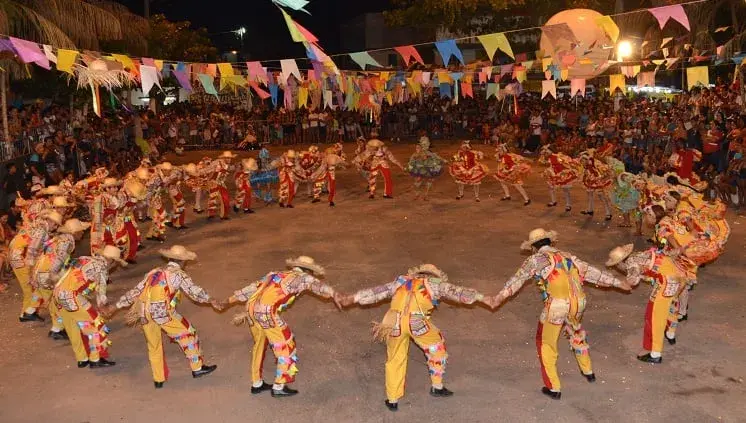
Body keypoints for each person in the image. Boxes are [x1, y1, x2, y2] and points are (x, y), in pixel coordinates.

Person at [487, 228, 631, 399]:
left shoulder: (536, 259)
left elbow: (517, 279)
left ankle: (553, 387)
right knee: (575, 332)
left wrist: (499, 297)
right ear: (549, 242)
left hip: (557, 306)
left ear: (533, 247)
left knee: (546, 343)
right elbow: (592, 272)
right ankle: (588, 371)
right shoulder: (568, 255)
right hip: (579, 302)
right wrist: (617, 283)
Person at [337, 264, 488, 411]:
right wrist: (483, 298)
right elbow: (458, 292)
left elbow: (376, 292)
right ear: (432, 275)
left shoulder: (401, 281)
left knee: (395, 358)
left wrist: (353, 298)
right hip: (417, 324)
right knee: (436, 346)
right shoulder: (435, 284)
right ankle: (437, 386)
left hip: (393, 323)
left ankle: (392, 399)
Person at [104, 245, 222, 389]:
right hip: (162, 313)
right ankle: (198, 368)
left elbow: (135, 292)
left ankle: (158, 379)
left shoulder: (154, 272)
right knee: (188, 334)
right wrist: (211, 300)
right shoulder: (178, 274)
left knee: (154, 346)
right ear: (183, 261)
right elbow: (194, 292)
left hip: (144, 313)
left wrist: (115, 306)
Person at [223, 256, 340, 397]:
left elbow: (251, 288)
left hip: (251, 309)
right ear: (309, 271)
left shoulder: (275, 274)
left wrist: (228, 301)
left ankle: (257, 383)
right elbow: (320, 288)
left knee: (259, 344)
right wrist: (336, 295)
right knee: (286, 344)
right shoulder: (302, 277)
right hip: (266, 313)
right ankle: (279, 386)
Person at [606, 244, 690, 363]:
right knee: (670, 306)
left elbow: (633, 281)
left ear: (619, 262)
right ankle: (670, 334)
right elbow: (665, 255)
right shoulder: (638, 254)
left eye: (616, 263)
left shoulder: (631, 263)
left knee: (655, 316)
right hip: (675, 273)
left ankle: (655, 353)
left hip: (667, 281)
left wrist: (622, 282)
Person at [52, 245, 127, 368]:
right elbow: (101, 291)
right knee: (95, 326)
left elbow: (64, 272)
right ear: (111, 260)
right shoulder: (101, 268)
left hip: (58, 294)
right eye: (115, 263)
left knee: (73, 328)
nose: (114, 266)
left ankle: (82, 359)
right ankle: (95, 359)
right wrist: (103, 307)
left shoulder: (84, 258)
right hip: (72, 297)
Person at [30, 218, 91, 340]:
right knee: (57, 304)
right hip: (46, 274)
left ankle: (57, 328)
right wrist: (53, 278)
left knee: (55, 303)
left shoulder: (62, 238)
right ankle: (58, 329)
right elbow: (59, 260)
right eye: (81, 231)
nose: (83, 233)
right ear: (75, 232)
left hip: (42, 271)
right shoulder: (67, 241)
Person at [8, 210, 63, 322]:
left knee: (34, 288)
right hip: (20, 257)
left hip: (17, 255)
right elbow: (31, 252)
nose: (56, 226)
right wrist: (31, 273)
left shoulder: (39, 226)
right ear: (49, 220)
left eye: (57, 225)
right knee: (29, 287)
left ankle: (30, 311)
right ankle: (25, 314)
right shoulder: (42, 230)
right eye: (55, 223)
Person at [538, 145, 579, 211]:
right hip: (555, 174)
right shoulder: (549, 157)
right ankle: (553, 201)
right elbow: (542, 162)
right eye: (546, 151)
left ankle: (568, 205)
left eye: (547, 150)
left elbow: (567, 163)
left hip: (563, 174)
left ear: (551, 150)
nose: (546, 152)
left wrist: (566, 171)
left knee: (565, 190)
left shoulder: (558, 156)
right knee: (551, 187)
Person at [579, 149, 614, 220]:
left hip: (597, 182)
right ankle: (590, 210)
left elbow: (601, 172)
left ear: (586, 160)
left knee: (602, 197)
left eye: (583, 161)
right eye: (581, 161)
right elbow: (586, 174)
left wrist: (599, 178)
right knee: (589, 195)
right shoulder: (586, 166)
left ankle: (608, 213)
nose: (582, 162)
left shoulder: (593, 165)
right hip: (590, 182)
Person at [208, 151, 236, 220]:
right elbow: (208, 170)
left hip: (221, 183)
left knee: (225, 198)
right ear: (224, 158)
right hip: (213, 182)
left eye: (230, 158)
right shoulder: (217, 163)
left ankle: (224, 215)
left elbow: (230, 169)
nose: (229, 159)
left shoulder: (227, 165)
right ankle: (211, 214)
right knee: (213, 199)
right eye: (228, 158)